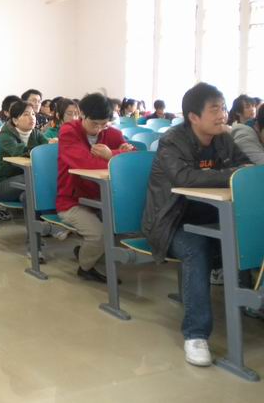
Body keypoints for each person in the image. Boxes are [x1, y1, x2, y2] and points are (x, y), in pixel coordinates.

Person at [142, 82, 250, 367]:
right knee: (197, 248)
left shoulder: (223, 138)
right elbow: (185, 178)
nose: (222, 114)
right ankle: (196, 334)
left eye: (223, 107)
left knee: (250, 235)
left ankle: (251, 301)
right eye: (214, 109)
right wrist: (231, 174)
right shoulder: (172, 142)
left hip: (212, 216)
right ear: (193, 116)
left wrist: (233, 172)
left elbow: (246, 167)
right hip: (170, 222)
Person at [57, 93, 134, 283]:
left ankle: (87, 252)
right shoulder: (68, 131)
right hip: (72, 201)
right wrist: (116, 155)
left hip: (102, 198)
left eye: (104, 124)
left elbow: (132, 160)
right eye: (94, 124)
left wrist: (111, 154)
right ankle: (85, 267)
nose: (99, 129)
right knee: (99, 234)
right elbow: (85, 163)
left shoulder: (112, 133)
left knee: (129, 226)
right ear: (82, 114)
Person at [0, 100, 53, 260]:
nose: (32, 118)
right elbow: (18, 151)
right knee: (34, 180)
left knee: (28, 196)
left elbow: (47, 150)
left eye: (33, 114)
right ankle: (52, 226)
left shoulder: (36, 134)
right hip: (4, 185)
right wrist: (41, 150)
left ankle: (34, 246)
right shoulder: (6, 135)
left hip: (26, 185)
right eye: (26, 114)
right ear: (15, 120)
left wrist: (52, 145)